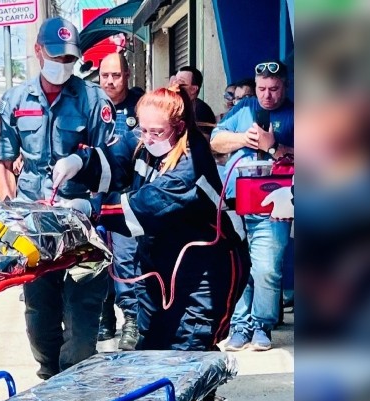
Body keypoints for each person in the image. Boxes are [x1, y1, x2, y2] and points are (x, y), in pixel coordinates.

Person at [51, 85, 249, 349]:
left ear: (178, 128)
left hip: (202, 272)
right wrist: (78, 162)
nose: (148, 138)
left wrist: (91, 209)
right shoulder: (146, 138)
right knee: (150, 347)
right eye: (143, 130)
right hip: (157, 268)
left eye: (156, 132)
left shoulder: (191, 164)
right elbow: (115, 157)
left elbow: (143, 208)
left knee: (189, 350)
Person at [0, 18, 115, 380]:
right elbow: (2, 161)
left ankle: (77, 387)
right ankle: (50, 380)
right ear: (38, 51)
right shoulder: (13, 100)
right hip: (32, 228)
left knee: (81, 326)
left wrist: (94, 206)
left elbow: (110, 162)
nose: (63, 64)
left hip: (80, 225)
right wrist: (8, 213)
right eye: (56, 55)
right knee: (40, 319)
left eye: (70, 58)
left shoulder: (93, 100)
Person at [212, 60, 295, 351]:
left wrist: (274, 147)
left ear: (285, 86)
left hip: (273, 204)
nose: (267, 95)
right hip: (234, 202)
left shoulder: (296, 114)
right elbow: (214, 142)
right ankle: (239, 325)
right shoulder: (243, 109)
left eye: (274, 89)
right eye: (261, 89)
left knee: (266, 268)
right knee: (237, 266)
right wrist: (240, 138)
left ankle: (262, 325)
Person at [96, 51, 144, 348]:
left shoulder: (141, 106)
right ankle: (103, 317)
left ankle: (131, 319)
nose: (110, 81)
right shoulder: (90, 105)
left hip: (126, 198)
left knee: (126, 261)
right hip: (93, 198)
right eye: (105, 75)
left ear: (127, 76)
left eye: (116, 75)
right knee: (95, 260)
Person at [172, 66, 218, 137]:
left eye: (180, 82)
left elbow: (204, 141)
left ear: (193, 89)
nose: (175, 85)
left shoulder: (200, 109)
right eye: (175, 81)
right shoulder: (177, 106)